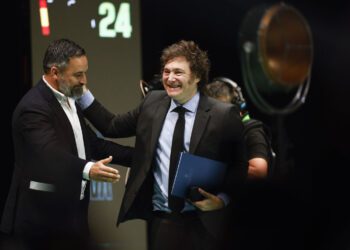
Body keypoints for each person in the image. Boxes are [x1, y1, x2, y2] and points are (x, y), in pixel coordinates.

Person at [78, 40, 247, 250]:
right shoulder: (152, 103)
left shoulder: (223, 115)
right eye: (166, 71)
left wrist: (222, 200)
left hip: (206, 222)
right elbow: (111, 126)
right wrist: (82, 95)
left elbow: (240, 167)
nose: (170, 78)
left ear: (196, 77)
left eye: (178, 72)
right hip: (162, 223)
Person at [0, 38, 133, 250]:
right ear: (55, 73)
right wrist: (88, 169)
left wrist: (139, 157)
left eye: (85, 73)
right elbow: (49, 155)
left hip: (74, 215)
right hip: (41, 224)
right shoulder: (33, 108)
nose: (84, 80)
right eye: (78, 74)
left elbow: (95, 145)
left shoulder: (69, 99)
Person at [203, 77, 274, 179]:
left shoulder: (251, 130)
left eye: (222, 110)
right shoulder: (210, 132)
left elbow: (259, 171)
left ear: (237, 107)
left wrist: (211, 169)